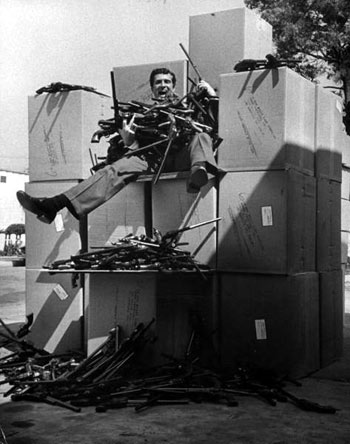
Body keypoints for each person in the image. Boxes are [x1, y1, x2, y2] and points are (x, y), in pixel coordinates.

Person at [17, 68, 222, 224]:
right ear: (152, 88)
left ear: (174, 86)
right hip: (151, 159)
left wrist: (212, 96)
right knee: (114, 170)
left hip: (182, 158)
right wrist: (128, 141)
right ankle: (53, 205)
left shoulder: (188, 106)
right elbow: (126, 147)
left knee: (202, 135)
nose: (163, 85)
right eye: (158, 82)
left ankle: (198, 175)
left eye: (167, 82)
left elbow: (214, 126)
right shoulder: (141, 113)